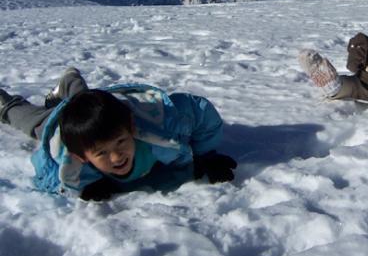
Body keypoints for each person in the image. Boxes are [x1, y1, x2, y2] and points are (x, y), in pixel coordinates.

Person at [0, 68, 237, 200]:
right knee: (32, 123)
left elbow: (198, 111)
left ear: (132, 128)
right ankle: (7, 106)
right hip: (66, 125)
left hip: (113, 109)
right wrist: (85, 184)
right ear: (81, 156)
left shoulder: (160, 125)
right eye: (101, 153)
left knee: (85, 100)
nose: (116, 157)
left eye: (121, 142)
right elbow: (52, 175)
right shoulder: (66, 155)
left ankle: (71, 81)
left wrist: (205, 152)